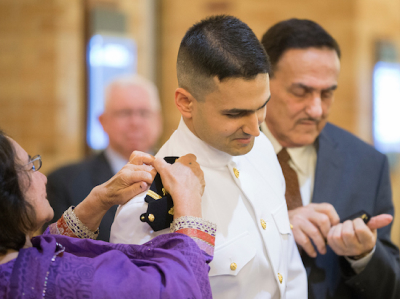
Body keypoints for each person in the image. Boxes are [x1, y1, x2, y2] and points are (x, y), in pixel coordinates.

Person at [111, 15, 307, 298]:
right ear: (186, 103)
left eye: (262, 106)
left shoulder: (261, 148)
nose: (255, 128)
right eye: (235, 113)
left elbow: (289, 271)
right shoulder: (149, 200)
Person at [260, 18, 400, 299]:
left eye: (327, 94)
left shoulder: (367, 164)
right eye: (301, 92)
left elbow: (392, 288)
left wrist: (364, 254)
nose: (316, 109)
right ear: (263, 81)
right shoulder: (222, 152)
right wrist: (275, 229)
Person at [0, 130, 214, 298]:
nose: (42, 178)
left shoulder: (13, 263)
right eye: (30, 168)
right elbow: (177, 292)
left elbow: (43, 253)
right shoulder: (57, 281)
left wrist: (99, 201)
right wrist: (188, 199)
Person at [46, 75, 162, 241]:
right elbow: (55, 249)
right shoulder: (63, 182)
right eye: (125, 113)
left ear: (159, 120)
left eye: (144, 113)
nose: (135, 122)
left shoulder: (176, 177)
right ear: (102, 121)